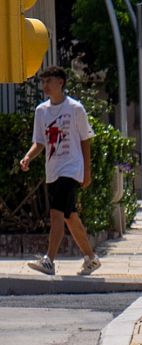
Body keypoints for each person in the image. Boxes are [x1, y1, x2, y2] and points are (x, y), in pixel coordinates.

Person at [18, 66, 102, 277]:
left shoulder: (75, 108)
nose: (45, 86)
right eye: (43, 82)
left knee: (56, 213)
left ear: (61, 83)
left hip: (72, 168)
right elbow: (39, 142)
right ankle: (91, 258)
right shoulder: (41, 111)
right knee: (69, 216)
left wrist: (87, 171)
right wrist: (28, 156)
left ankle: (49, 260)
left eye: (49, 81)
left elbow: (85, 141)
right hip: (53, 170)